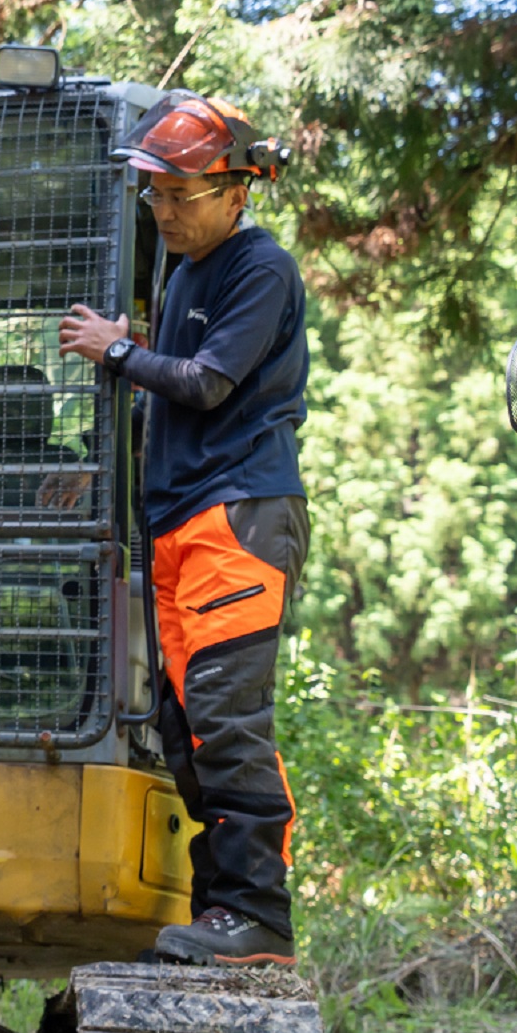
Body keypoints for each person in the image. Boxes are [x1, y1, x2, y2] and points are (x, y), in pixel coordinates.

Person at [58, 91, 305, 967]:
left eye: (180, 194)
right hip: (177, 523)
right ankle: (221, 910)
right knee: (184, 723)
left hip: (237, 515)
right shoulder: (182, 270)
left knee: (228, 719)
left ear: (237, 190)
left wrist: (115, 352)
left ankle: (257, 914)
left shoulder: (259, 269)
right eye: (155, 194)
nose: (163, 210)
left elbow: (203, 384)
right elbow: (171, 394)